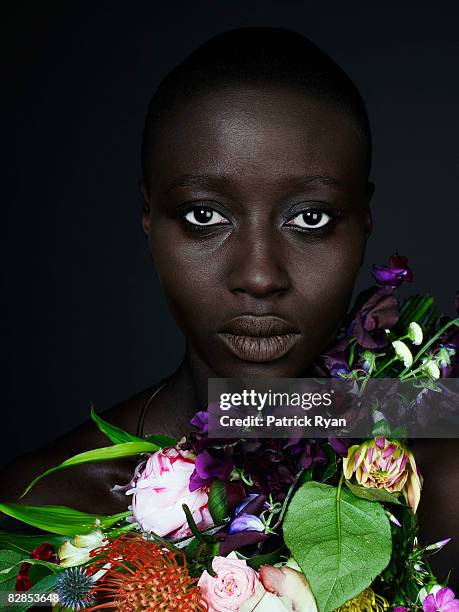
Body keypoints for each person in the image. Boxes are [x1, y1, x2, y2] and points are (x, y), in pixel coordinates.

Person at [0, 27, 457, 578]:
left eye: (309, 218)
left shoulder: (443, 487)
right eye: (204, 216)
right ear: (149, 216)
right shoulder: (51, 508)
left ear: (363, 217)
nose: (260, 276)